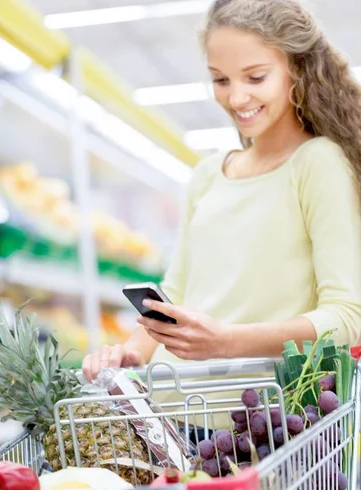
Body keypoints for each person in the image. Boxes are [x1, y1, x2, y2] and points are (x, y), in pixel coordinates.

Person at [83, 0, 361, 385]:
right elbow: (174, 294)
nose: (236, 98)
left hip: (257, 420)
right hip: (173, 414)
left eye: (256, 77)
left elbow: (347, 318)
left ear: (296, 70)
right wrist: (128, 354)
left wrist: (227, 341)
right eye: (221, 79)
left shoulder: (318, 164)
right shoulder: (208, 175)